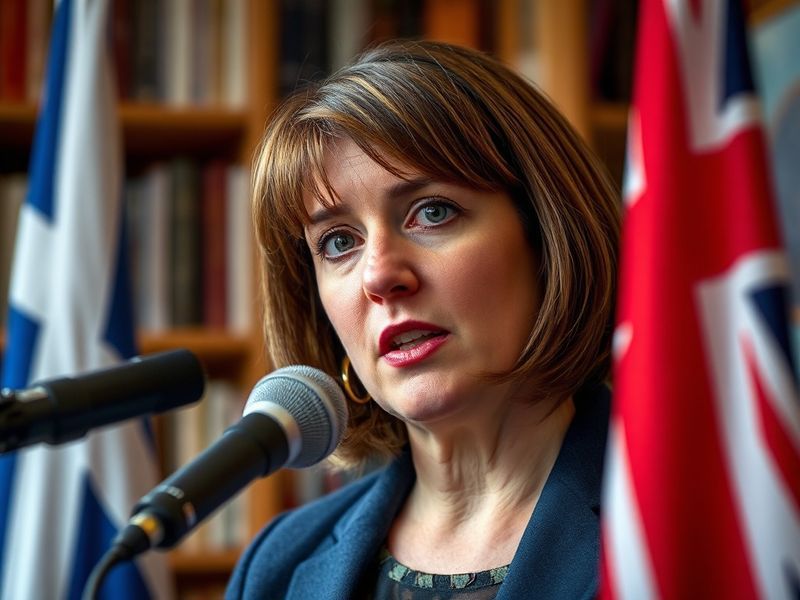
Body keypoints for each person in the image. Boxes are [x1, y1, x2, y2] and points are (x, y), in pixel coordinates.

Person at [226, 40, 619, 600]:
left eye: (431, 212)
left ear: (546, 237)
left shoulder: (688, 526)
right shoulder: (278, 569)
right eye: (339, 242)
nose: (379, 276)